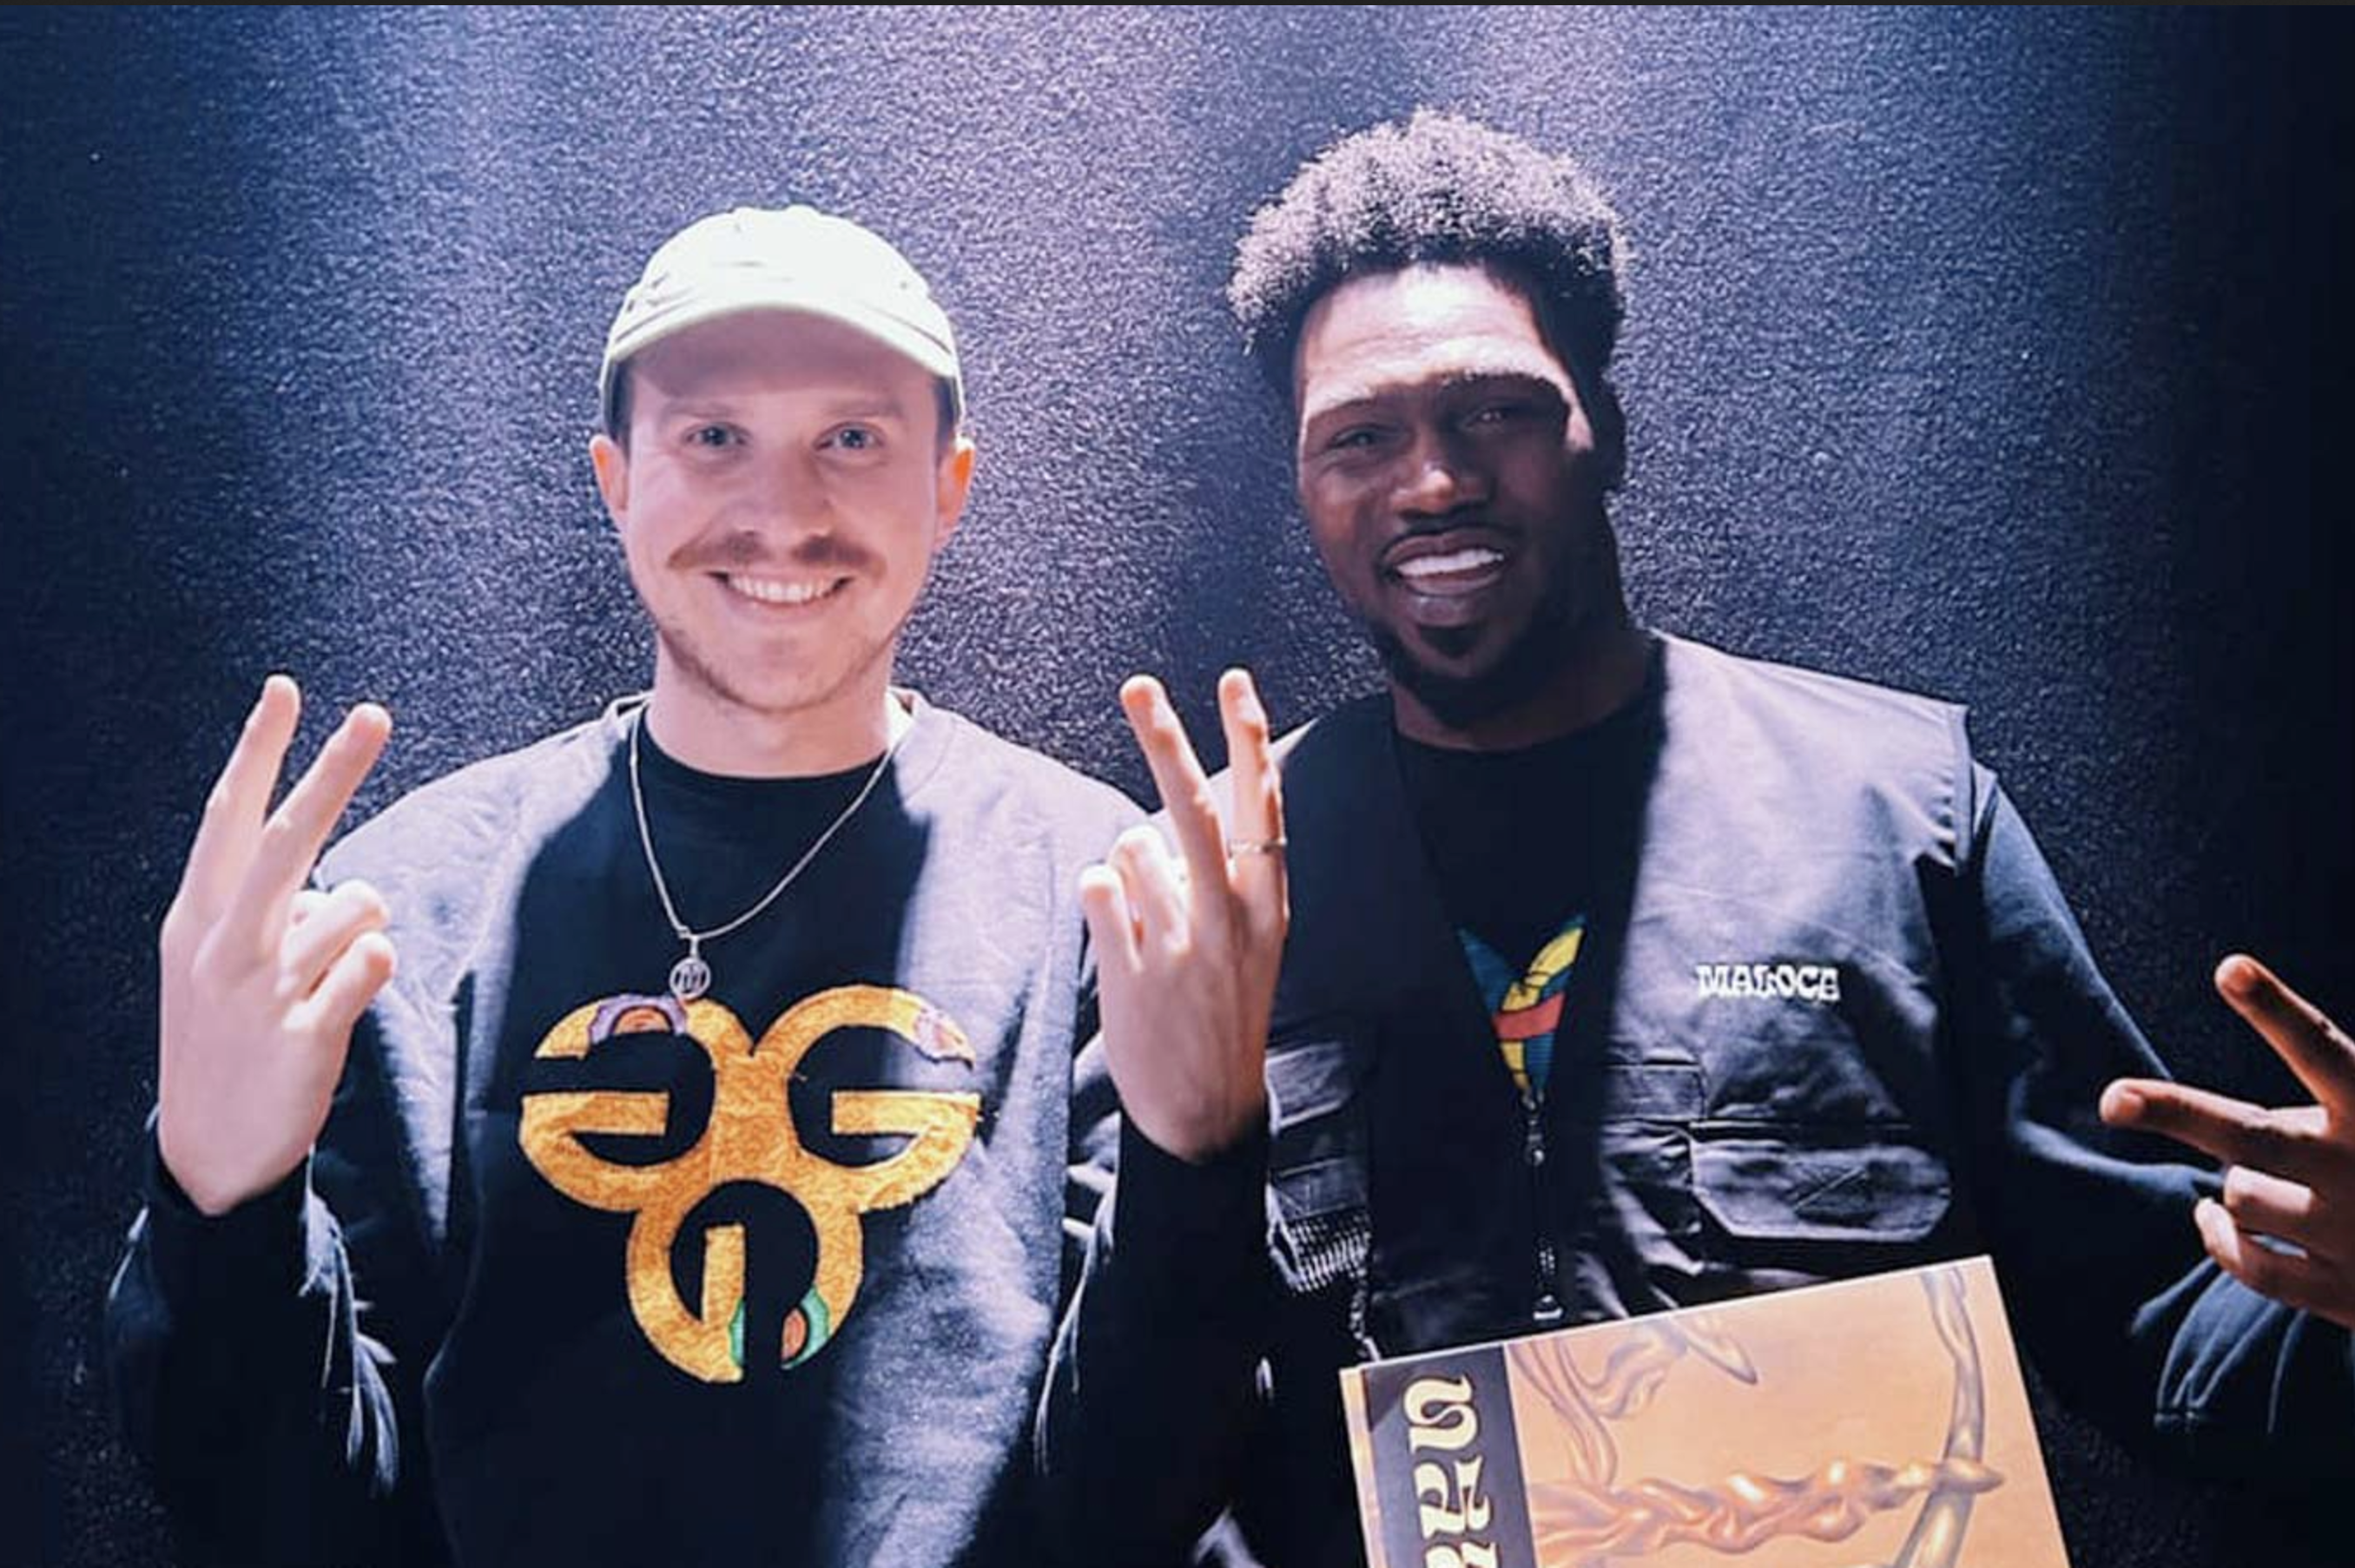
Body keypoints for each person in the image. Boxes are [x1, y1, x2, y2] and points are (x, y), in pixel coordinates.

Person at [1040, 110, 2355, 1567]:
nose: (1432, 482)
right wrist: (1191, 1154)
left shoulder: (1894, 815)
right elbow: (1106, 1510)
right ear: (1305, 485)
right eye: (1360, 437)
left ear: (1603, 428)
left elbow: (2171, 1334)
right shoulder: (1208, 900)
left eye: (1495, 411)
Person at [105, 204, 1138, 1566]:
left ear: (948, 486)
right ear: (617, 479)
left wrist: (1204, 1162)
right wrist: (219, 1201)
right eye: (713, 436)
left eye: (851, 438)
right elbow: (280, 1513)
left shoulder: (1098, 893)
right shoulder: (399, 912)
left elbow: (1146, 1487)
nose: (783, 512)